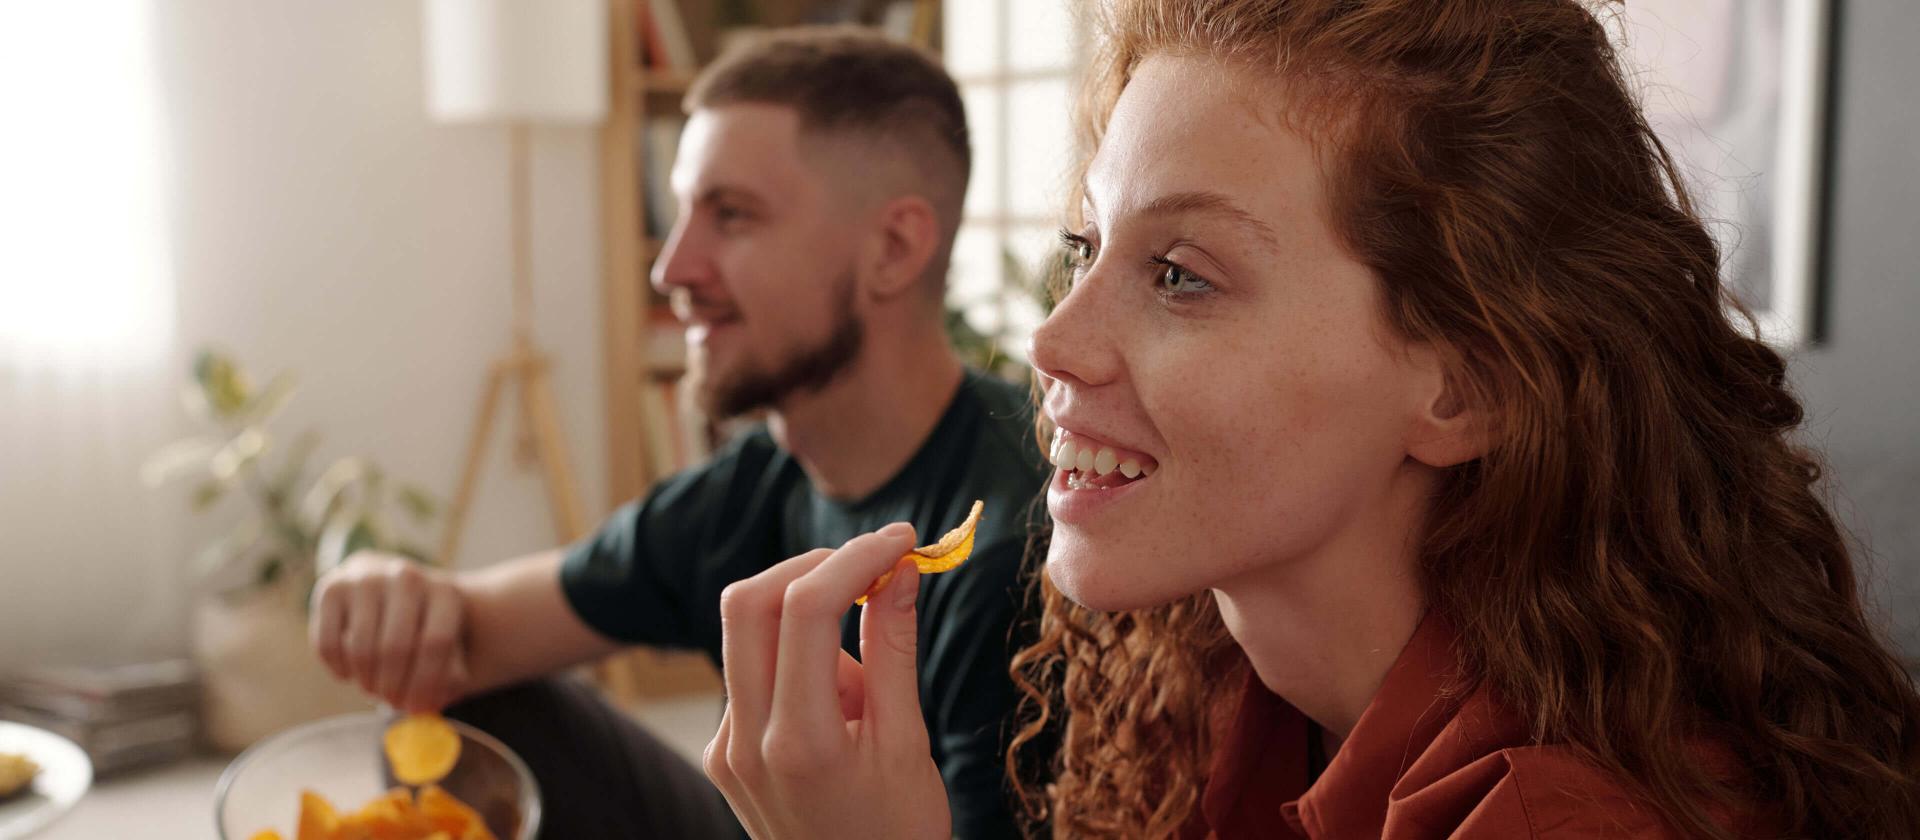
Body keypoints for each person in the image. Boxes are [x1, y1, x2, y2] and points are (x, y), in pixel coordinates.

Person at [698, 1, 1920, 838]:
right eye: (1085, 250)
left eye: (1180, 273)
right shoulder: (1222, 699)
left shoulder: (1567, 815)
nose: (1053, 340)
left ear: (1468, 384)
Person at [309, 28, 1047, 840]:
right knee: (465, 705)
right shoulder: (754, 481)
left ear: (894, 247)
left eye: (730, 215)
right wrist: (388, 589)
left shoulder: (1013, 548)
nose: (672, 270)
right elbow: (464, 632)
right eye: (685, 210)